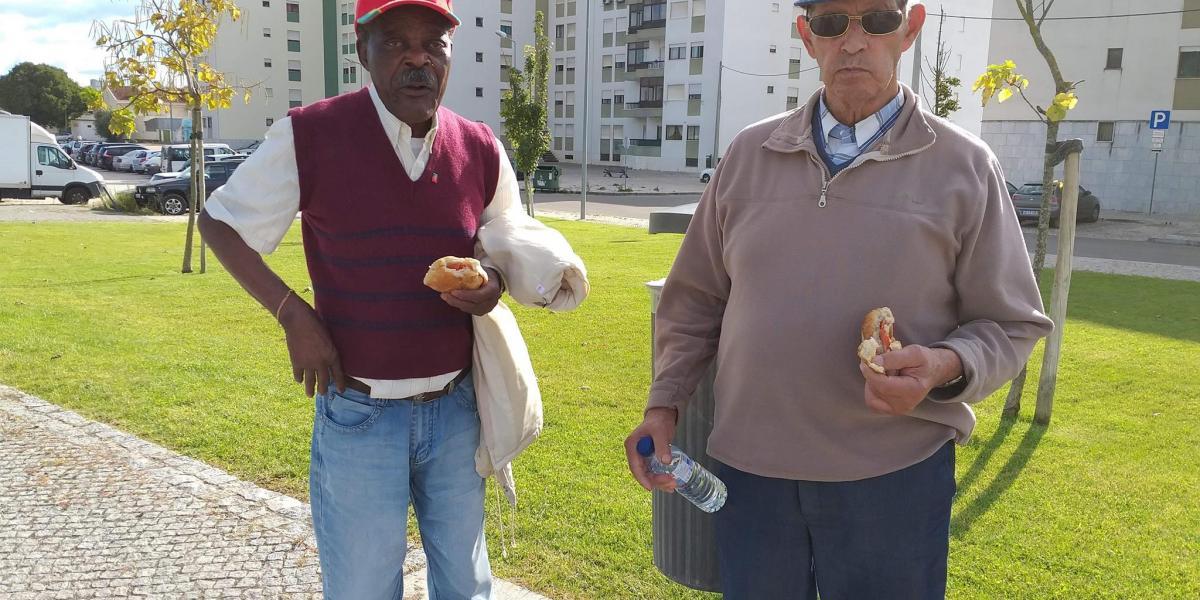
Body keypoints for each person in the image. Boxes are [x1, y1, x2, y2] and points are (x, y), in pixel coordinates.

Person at [624, 0, 1054, 598]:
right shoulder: (748, 154)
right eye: (830, 22)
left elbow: (1010, 323)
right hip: (751, 480)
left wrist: (944, 366)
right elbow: (694, 300)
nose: (853, 41)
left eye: (876, 19)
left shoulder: (964, 166)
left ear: (909, 28)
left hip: (893, 480)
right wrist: (664, 405)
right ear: (808, 37)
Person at [198, 1, 551, 597]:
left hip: (457, 410)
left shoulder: (480, 147)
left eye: (433, 43)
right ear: (362, 51)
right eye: (395, 42)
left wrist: (490, 285)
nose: (417, 58)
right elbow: (220, 223)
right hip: (359, 413)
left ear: (449, 54)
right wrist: (293, 314)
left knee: (466, 585)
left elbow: (506, 243)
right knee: (361, 588)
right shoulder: (311, 135)